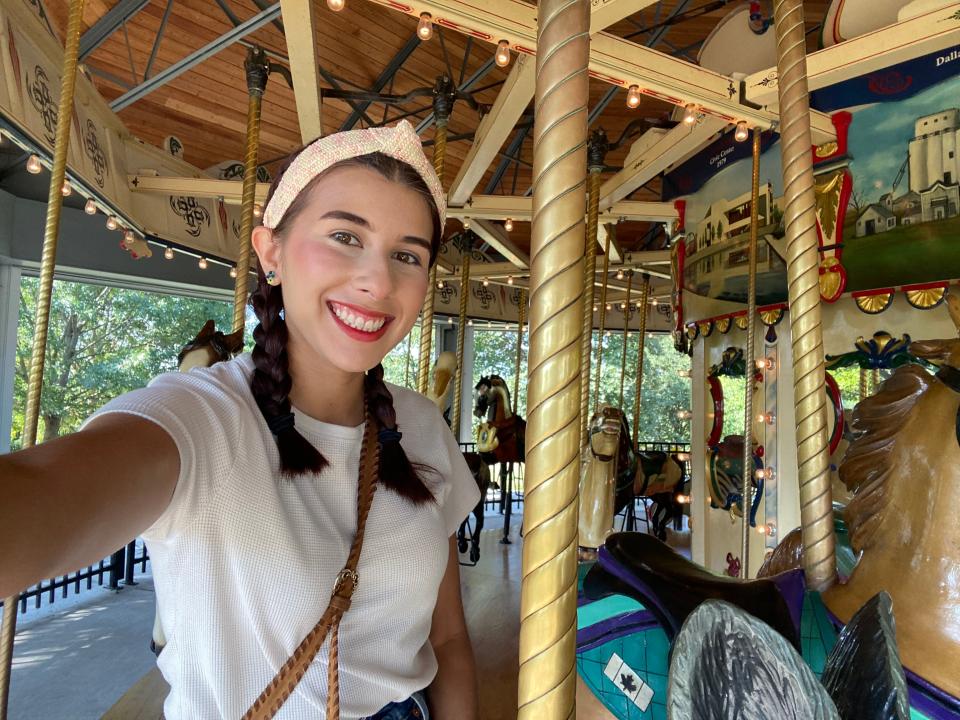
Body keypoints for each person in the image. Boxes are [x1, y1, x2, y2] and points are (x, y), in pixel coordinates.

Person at [0, 120, 481, 720]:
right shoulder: (201, 416)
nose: (378, 281)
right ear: (271, 252)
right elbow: (44, 494)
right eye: (344, 237)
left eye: (406, 255)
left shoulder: (421, 426)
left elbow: (448, 640)